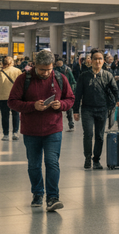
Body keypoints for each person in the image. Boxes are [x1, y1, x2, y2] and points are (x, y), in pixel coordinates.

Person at [8, 50, 74, 212]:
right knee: (34, 165)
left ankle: (53, 197)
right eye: (42, 69)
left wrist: (62, 105)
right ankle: (37, 193)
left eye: (49, 69)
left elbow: (70, 98)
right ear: (35, 65)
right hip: (31, 130)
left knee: (52, 163)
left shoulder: (60, 78)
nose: (45, 73)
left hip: (53, 128)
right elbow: (12, 102)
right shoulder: (24, 79)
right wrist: (32, 106)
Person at [74, 49, 119, 170]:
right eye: (95, 58)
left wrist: (118, 100)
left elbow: (115, 89)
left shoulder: (107, 75)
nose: (97, 61)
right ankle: (87, 158)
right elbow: (78, 93)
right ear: (90, 61)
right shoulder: (84, 76)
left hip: (102, 109)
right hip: (87, 109)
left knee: (99, 135)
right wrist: (75, 110)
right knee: (88, 134)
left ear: (103, 61)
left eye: (100, 59)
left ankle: (96, 160)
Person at [1, 56, 24, 141]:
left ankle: (6, 134)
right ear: (12, 62)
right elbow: (22, 83)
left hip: (3, 96)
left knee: (4, 116)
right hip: (15, 96)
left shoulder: (1, 71)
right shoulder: (17, 71)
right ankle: (15, 132)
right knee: (15, 114)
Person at [54, 59, 77, 131]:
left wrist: (72, 90)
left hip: (66, 91)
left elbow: (72, 80)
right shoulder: (54, 70)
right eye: (57, 62)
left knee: (69, 109)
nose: (59, 63)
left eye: (60, 62)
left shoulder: (67, 69)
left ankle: (71, 124)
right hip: (57, 92)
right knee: (55, 108)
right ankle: (55, 126)